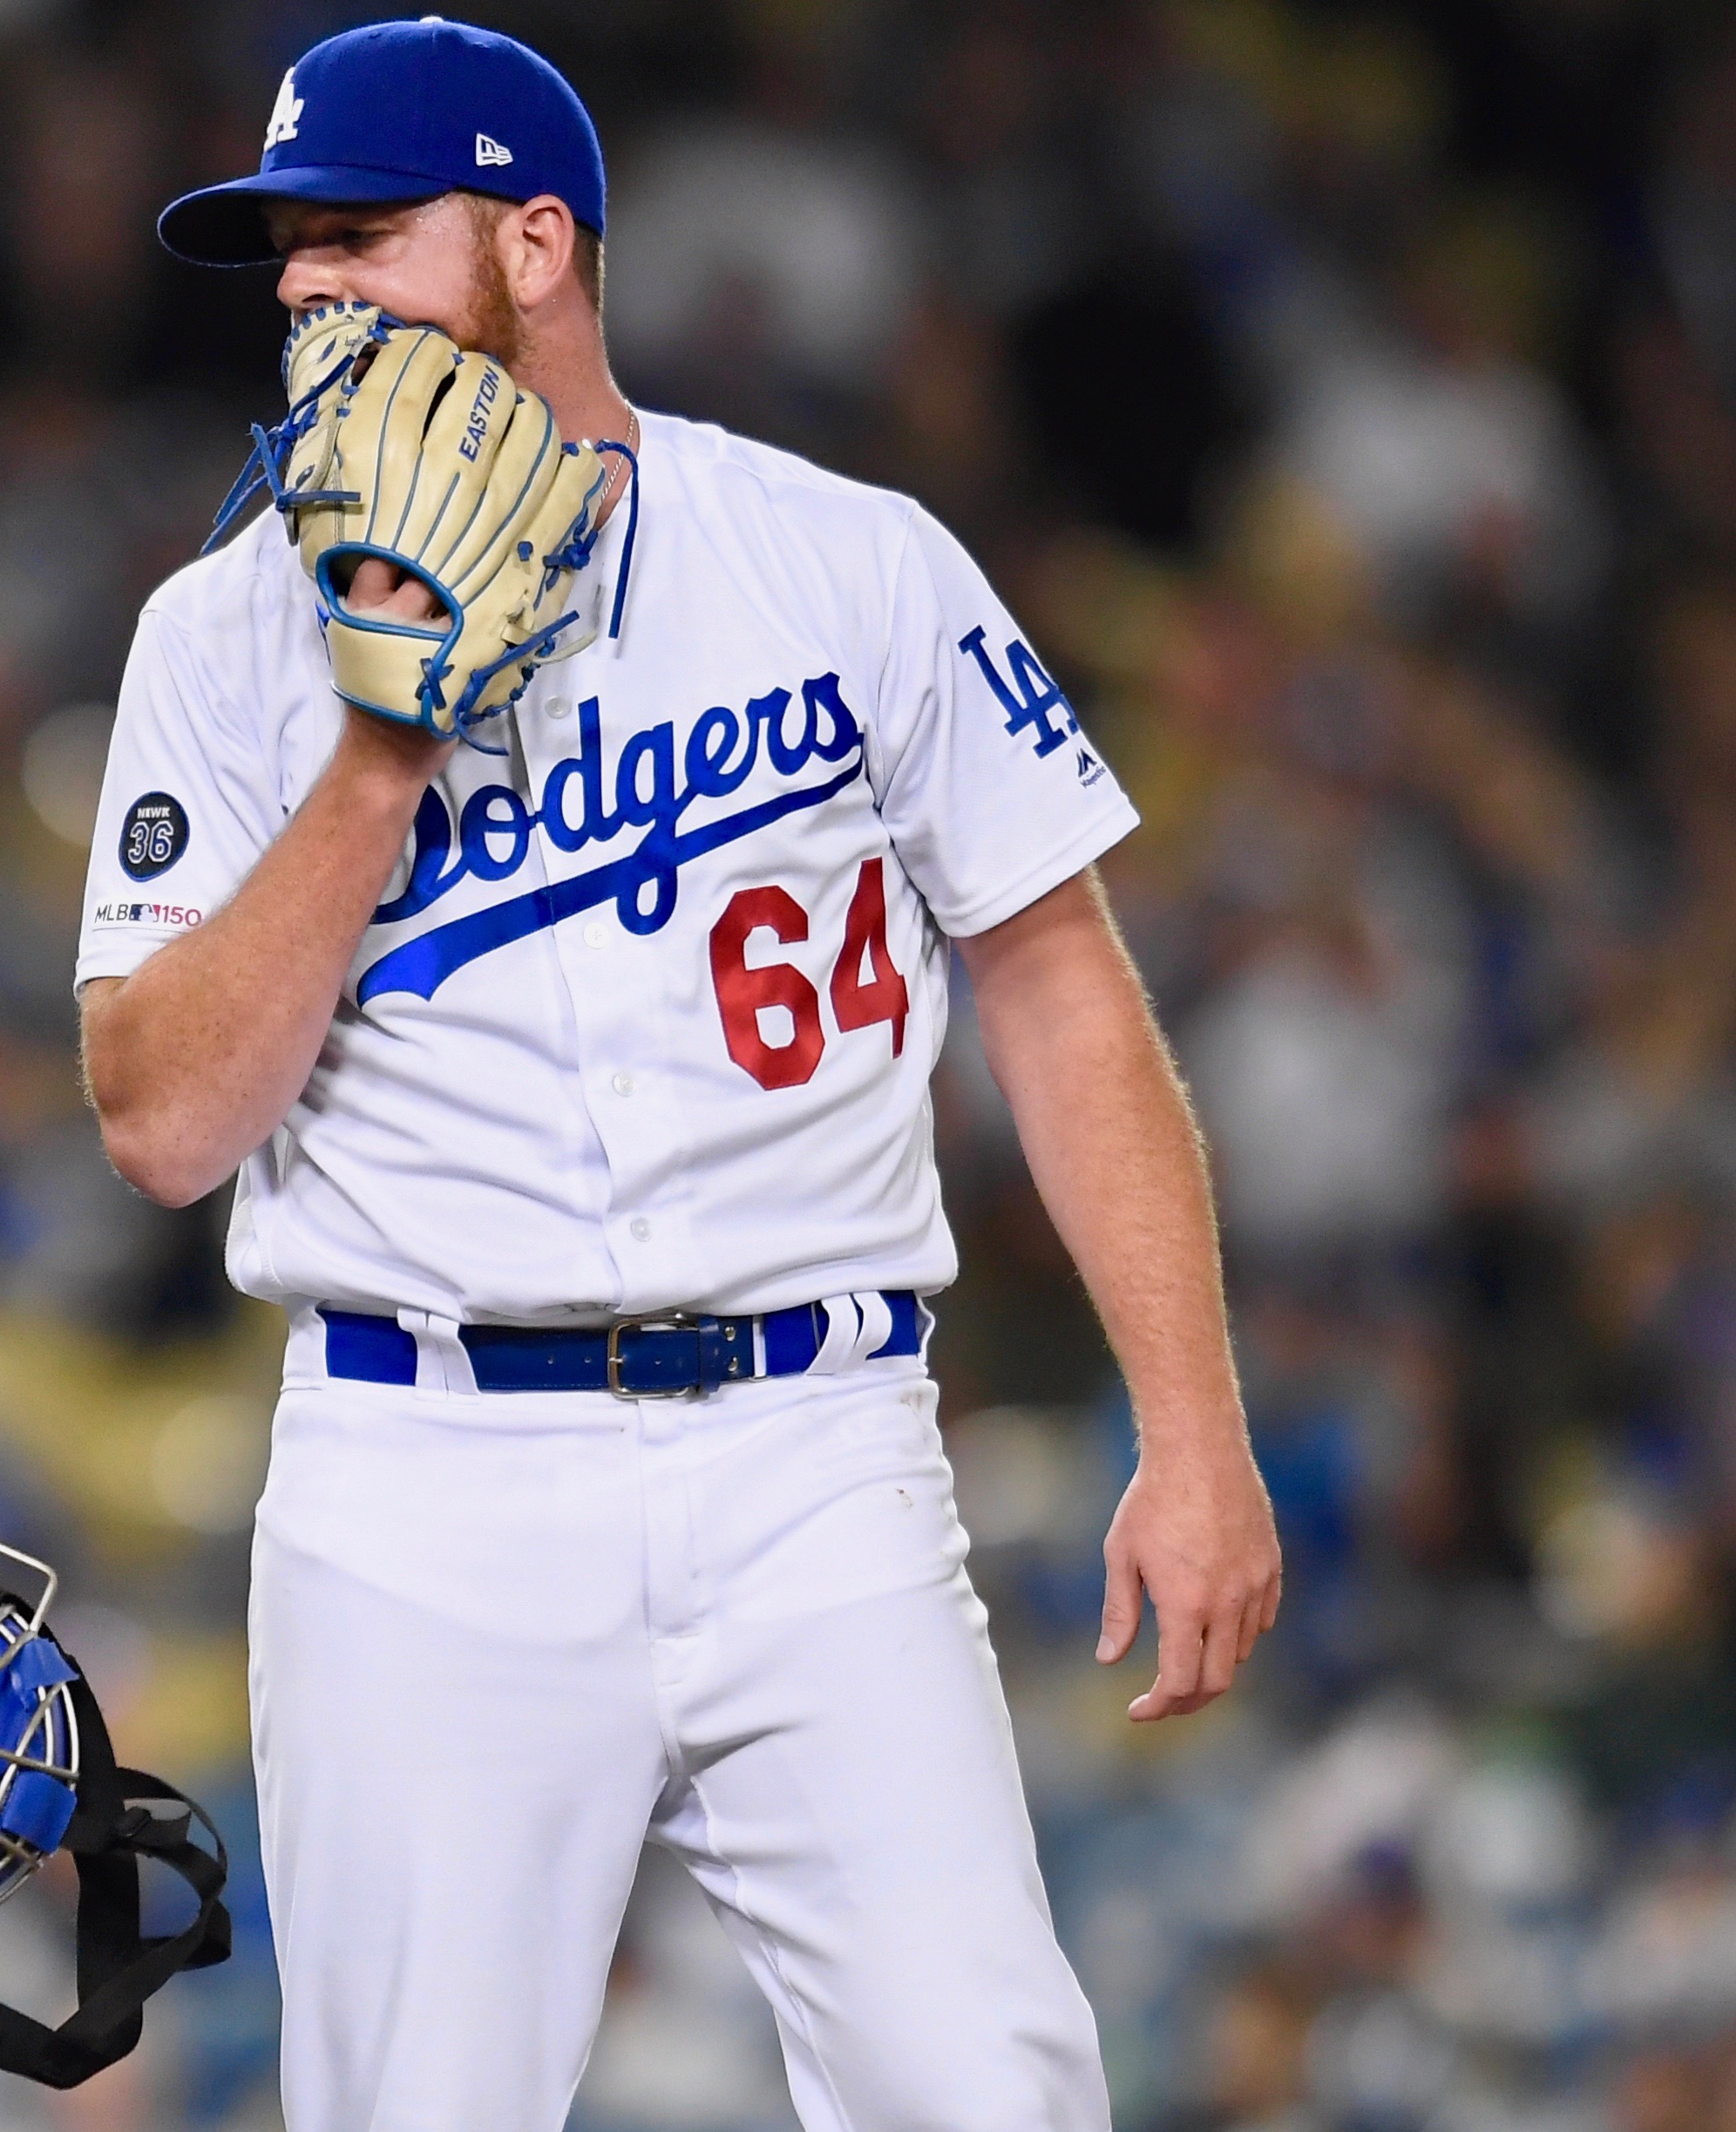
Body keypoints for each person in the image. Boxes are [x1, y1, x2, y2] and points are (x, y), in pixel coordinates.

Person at [78, 22, 1283, 2132]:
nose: (297, 287)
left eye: (356, 233)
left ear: (534, 242)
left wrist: (1190, 1430)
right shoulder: (221, 634)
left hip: (815, 1446)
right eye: (283, 250)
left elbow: (1061, 987)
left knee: (988, 2088)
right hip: (422, 1475)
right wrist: (377, 755)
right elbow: (161, 1121)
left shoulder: (844, 558)